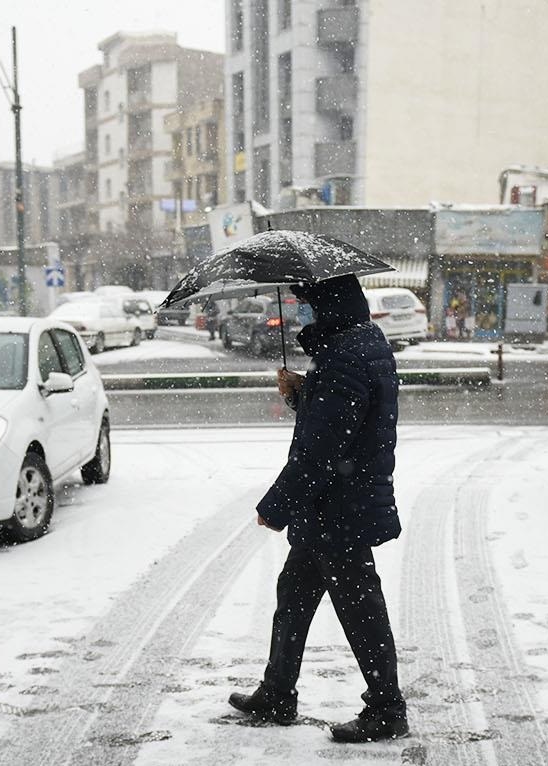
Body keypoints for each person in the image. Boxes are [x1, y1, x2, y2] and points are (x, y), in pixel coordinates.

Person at [228, 273, 408, 743]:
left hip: (338, 507)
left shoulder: (345, 356)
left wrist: (277, 505)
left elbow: (322, 448)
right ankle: (277, 693)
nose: (299, 310)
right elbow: (344, 415)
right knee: (295, 593)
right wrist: (304, 392)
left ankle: (387, 709)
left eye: (304, 302)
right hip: (333, 503)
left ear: (327, 306)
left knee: (360, 607)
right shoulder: (358, 345)